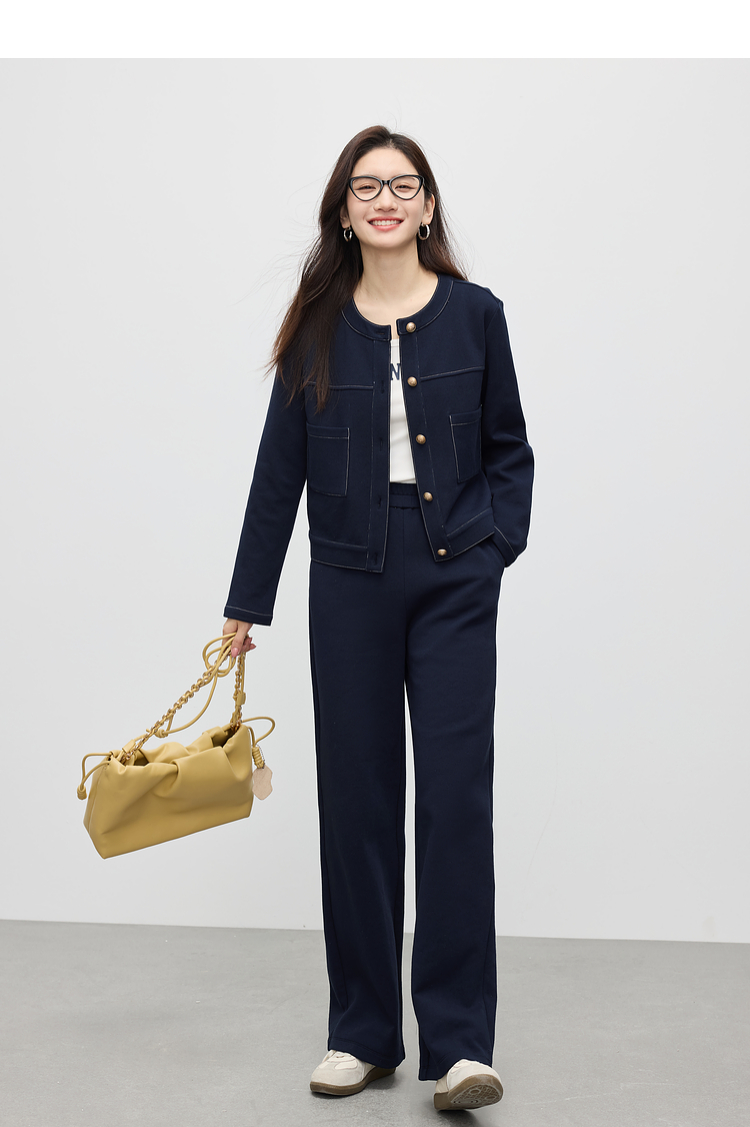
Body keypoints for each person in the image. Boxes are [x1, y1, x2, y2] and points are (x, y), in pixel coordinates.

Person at [222, 125, 534, 1112]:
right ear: (346, 211)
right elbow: (278, 472)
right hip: (348, 580)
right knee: (356, 805)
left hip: (453, 577)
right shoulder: (315, 327)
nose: (386, 200)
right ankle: (361, 1031)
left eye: (403, 185)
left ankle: (460, 1045)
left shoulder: (477, 315)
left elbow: (510, 448)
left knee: (454, 802)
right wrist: (246, 602)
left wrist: (493, 549)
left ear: (428, 206)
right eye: (367, 187)